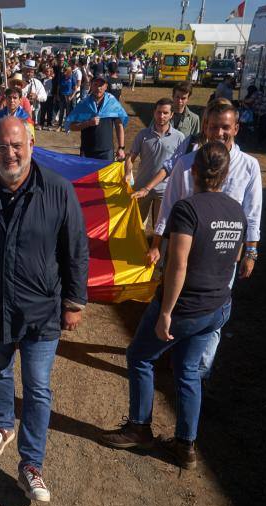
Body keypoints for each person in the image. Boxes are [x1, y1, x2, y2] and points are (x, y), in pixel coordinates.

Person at [0, 117, 89, 502]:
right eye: (1, 147)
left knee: (37, 388)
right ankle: (2, 425)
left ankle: (31, 464)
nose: (10, 153)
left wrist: (74, 302)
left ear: (30, 144)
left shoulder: (57, 189)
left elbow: (76, 250)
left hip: (42, 310)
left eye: (16, 145)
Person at [101, 141, 246, 469]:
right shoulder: (235, 210)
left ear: (193, 171)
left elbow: (177, 265)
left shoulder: (187, 209)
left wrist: (165, 313)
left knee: (139, 356)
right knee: (188, 370)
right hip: (218, 306)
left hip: (187, 307)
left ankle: (139, 427)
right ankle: (186, 445)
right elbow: (235, 255)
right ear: (225, 174)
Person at [149, 99, 262, 378]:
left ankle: (199, 370)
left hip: (223, 256)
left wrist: (251, 252)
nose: (219, 133)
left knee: (214, 310)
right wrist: (157, 243)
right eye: (213, 127)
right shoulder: (187, 164)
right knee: (175, 300)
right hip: (184, 251)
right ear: (205, 128)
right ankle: (171, 347)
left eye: (225, 127)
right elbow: (169, 205)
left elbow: (253, 213)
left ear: (236, 128)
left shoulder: (249, 166)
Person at [128, 98, 185, 229]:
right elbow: (131, 157)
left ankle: (156, 249)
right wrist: (126, 171)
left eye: (165, 113)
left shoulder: (180, 137)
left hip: (165, 190)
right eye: (159, 112)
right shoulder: (143, 134)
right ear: (154, 112)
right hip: (141, 188)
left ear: (171, 115)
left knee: (159, 228)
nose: (161, 116)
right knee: (136, 225)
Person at [67, 76, 128, 161]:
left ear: (106, 86)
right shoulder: (84, 103)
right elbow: (72, 126)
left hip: (106, 151)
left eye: (101, 85)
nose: (98, 88)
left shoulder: (112, 103)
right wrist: (88, 123)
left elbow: (119, 125)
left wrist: (121, 147)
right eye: (95, 84)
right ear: (91, 85)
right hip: (87, 151)